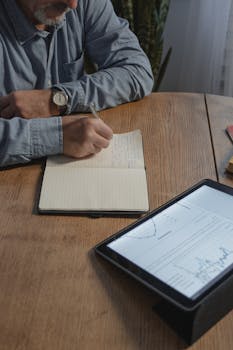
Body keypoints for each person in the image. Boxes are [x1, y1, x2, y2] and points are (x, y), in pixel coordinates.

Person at [0, 0, 154, 167]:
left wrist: (55, 100)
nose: (73, 5)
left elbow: (136, 70)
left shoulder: (84, 3)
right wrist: (56, 137)